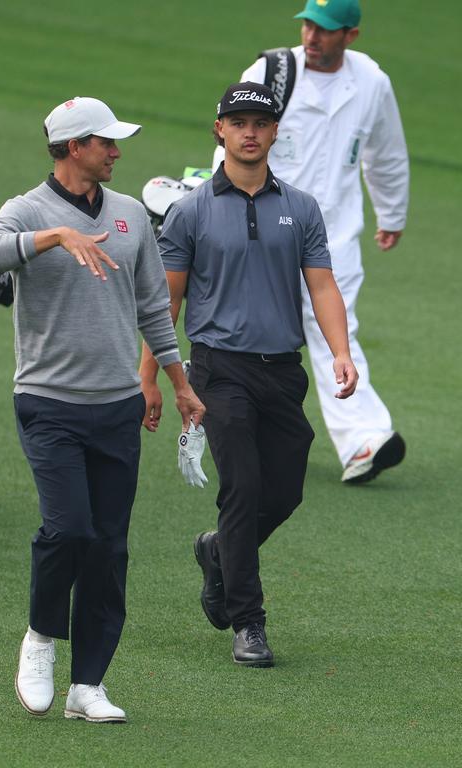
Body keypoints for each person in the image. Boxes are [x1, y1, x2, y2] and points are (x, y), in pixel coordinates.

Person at [0, 97, 204, 722]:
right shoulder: (27, 210)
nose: (118, 152)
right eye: (107, 142)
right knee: (67, 529)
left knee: (108, 545)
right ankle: (41, 638)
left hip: (117, 406)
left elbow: (154, 307)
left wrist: (178, 384)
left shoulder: (129, 216)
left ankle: (88, 686)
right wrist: (54, 236)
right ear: (75, 147)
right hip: (48, 402)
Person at [142, 82, 357, 667]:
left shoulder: (302, 208)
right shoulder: (191, 212)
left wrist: (341, 351)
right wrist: (152, 377)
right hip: (219, 369)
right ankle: (249, 623)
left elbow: (322, 284)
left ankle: (218, 553)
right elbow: (168, 304)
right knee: (241, 488)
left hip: (283, 372)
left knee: (284, 490)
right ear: (220, 131)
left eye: (259, 123)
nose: (249, 131)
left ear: (274, 132)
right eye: (237, 122)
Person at [213, 0, 408, 484]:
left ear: (351, 35)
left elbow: (385, 152)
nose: (311, 37)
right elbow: (231, 139)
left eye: (324, 29)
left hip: (333, 232)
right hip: (257, 225)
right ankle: (241, 426)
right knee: (250, 329)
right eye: (307, 25)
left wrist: (392, 212)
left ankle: (365, 438)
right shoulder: (272, 71)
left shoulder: (371, 83)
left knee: (334, 330)